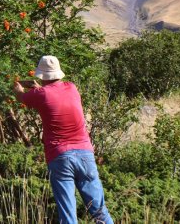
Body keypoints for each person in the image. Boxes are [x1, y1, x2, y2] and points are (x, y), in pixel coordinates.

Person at [12, 55, 113, 224]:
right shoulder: (72, 88)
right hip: (85, 155)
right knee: (100, 212)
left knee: (68, 217)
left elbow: (21, 97)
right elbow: (54, 95)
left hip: (60, 157)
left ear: (42, 76)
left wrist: (18, 87)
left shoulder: (40, 94)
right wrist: (38, 88)